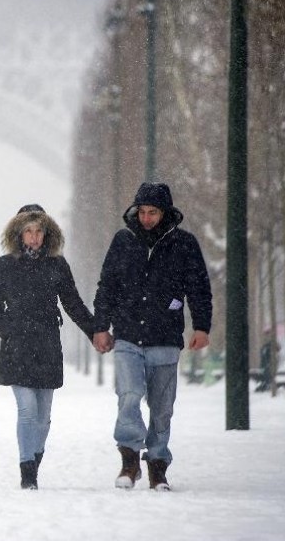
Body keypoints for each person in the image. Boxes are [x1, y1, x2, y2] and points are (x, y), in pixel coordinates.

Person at [92, 182, 212, 492]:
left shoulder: (184, 244)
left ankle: (158, 465)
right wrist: (100, 326)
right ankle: (130, 459)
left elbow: (198, 287)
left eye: (153, 212)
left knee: (162, 408)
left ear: (166, 213)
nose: (146, 218)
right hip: (129, 334)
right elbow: (107, 285)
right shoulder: (123, 241)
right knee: (129, 395)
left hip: (165, 337)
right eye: (142, 212)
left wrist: (202, 326)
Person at [0, 204, 96, 490]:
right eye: (28, 231)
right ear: (19, 234)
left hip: (47, 344)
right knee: (27, 410)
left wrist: (95, 331)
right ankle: (27, 471)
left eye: (39, 232)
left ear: (47, 234)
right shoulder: (3, 266)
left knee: (44, 418)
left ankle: (34, 459)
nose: (34, 237)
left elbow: (72, 303)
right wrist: (7, 331)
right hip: (17, 346)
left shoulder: (57, 265)